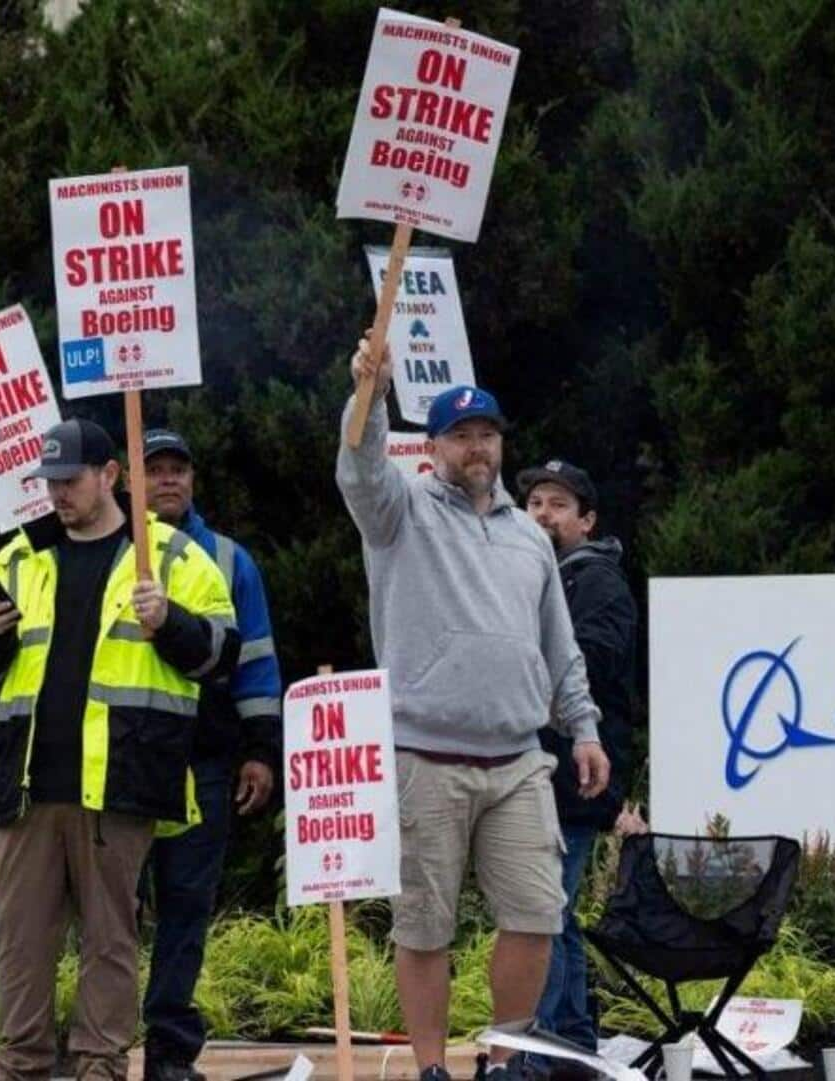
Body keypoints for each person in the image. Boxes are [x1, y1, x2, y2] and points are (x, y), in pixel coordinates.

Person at [335, 336, 610, 1081]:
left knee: (537, 913)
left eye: (486, 434)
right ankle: (430, 1068)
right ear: (433, 447)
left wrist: (581, 726)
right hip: (424, 754)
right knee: (424, 925)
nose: (476, 447)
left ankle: (504, 1055)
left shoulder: (529, 535)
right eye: (460, 435)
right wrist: (371, 391)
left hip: (520, 755)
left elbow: (558, 646)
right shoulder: (398, 512)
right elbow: (359, 466)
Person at [0, 419, 240, 1081]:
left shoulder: (169, 555)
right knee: (22, 941)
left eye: (70, 480)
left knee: (111, 938)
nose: (58, 493)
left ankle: (99, 1066)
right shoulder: (20, 556)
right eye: (49, 482)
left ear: (110, 475)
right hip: (27, 783)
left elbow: (221, 653)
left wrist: (170, 620)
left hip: (120, 778)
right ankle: (20, 1065)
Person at [136, 427, 283, 1081]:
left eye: (178, 469)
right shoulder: (109, 549)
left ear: (193, 480)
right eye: (155, 469)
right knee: (110, 910)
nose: (168, 479)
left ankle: (168, 1050)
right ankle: (100, 1045)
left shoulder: (229, 560)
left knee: (187, 902)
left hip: (203, 760)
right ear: (129, 480)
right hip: (120, 760)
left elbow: (255, 660)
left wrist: (260, 750)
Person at [516, 459, 642, 1068]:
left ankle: (545, 1052)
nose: (543, 515)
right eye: (535, 502)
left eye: (558, 505)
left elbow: (585, 669)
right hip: (542, 772)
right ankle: (568, 1045)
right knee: (553, 914)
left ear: (587, 521)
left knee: (543, 912)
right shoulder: (537, 578)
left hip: (576, 777)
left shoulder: (597, 583)